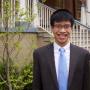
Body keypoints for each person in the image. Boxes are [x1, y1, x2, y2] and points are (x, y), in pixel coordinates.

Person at [32, 9, 90, 90]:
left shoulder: (83, 55)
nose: (62, 31)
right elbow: (37, 85)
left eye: (66, 26)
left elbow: (86, 85)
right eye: (58, 26)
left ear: (71, 28)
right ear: (52, 28)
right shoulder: (40, 54)